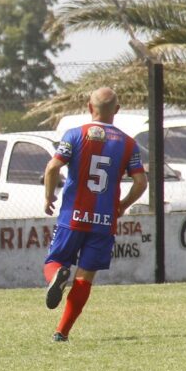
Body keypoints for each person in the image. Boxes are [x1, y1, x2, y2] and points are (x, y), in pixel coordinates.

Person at [42, 87, 148, 342]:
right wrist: (123, 205)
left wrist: (48, 197)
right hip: (104, 220)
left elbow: (53, 167)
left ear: (90, 108)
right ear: (117, 110)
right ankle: (62, 332)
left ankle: (57, 276)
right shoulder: (128, 143)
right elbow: (141, 182)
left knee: (54, 261)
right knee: (85, 276)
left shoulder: (75, 134)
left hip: (73, 216)